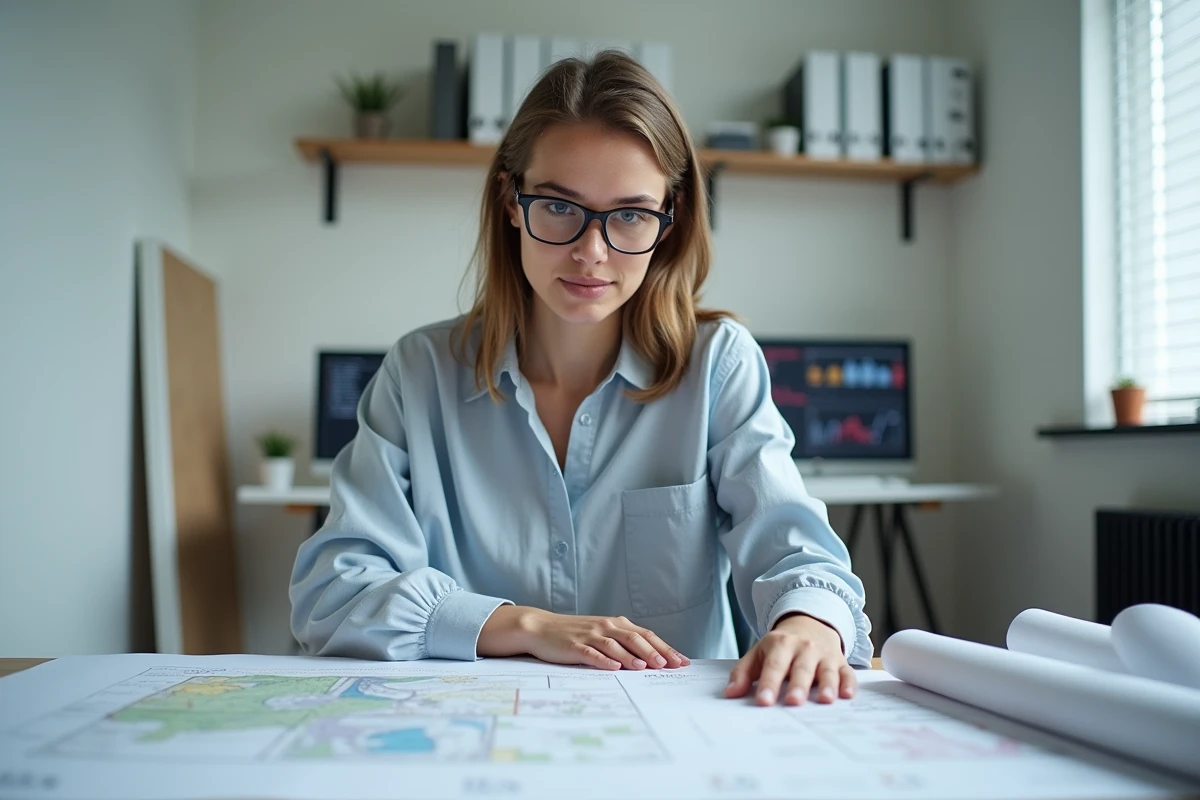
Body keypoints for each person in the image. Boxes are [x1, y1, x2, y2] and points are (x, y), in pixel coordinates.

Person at [290, 51, 873, 707]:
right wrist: (523, 626)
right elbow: (331, 592)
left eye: (629, 214)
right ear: (512, 201)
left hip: (677, 738)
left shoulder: (718, 364)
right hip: (471, 734)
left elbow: (795, 555)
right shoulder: (418, 373)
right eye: (559, 207)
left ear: (669, 219)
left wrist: (808, 623)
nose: (590, 252)